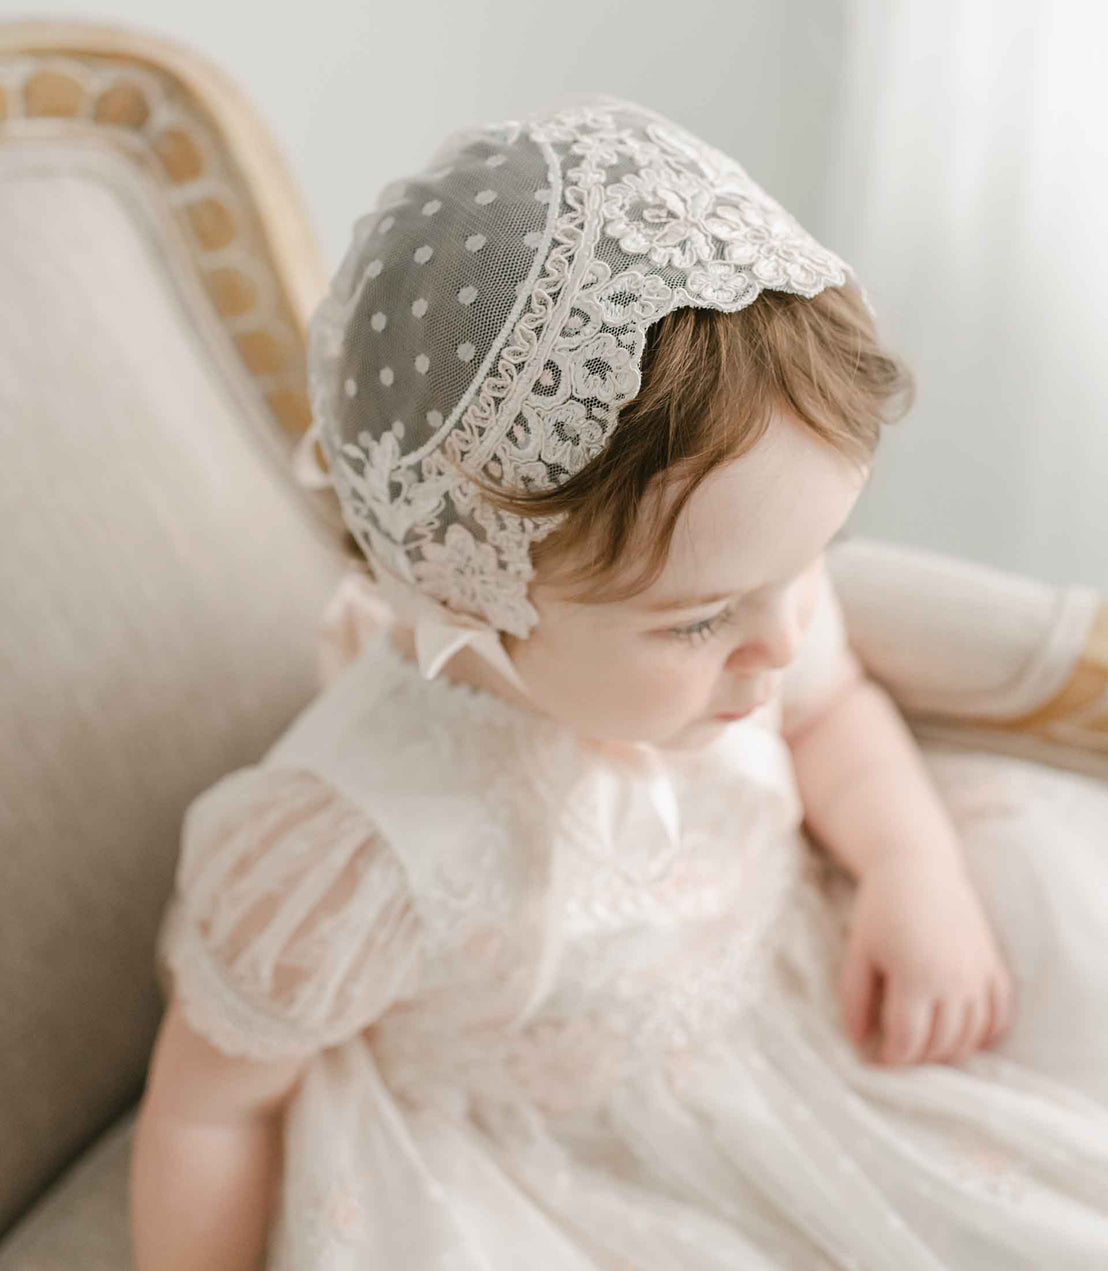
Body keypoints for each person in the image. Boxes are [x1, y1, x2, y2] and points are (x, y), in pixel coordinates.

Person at [130, 97, 1108, 1270]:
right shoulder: (364, 840)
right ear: (479, 594)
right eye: (699, 620)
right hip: (560, 1159)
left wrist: (910, 866)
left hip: (794, 1003)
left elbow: (836, 708)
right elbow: (210, 1108)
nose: (780, 640)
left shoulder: (757, 608)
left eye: (804, 568)